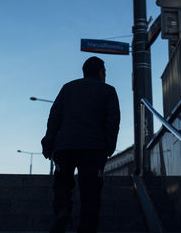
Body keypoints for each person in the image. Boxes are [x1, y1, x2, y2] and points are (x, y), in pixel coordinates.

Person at [41, 56, 120, 233]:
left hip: (64, 146)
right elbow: (112, 120)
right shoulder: (108, 91)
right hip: (94, 147)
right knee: (90, 190)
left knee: (62, 183)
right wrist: (109, 146)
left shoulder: (67, 88)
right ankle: (87, 227)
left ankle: (62, 211)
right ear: (101, 72)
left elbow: (54, 117)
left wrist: (48, 143)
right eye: (104, 71)